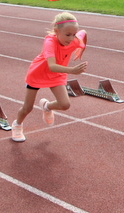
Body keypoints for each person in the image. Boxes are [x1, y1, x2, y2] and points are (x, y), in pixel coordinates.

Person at [11, 12, 88, 142]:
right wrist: (72, 70)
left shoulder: (74, 40)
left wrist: (82, 48)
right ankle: (17, 125)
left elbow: (84, 33)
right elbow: (51, 66)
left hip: (57, 75)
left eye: (73, 34)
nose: (71, 38)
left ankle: (47, 106)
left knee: (65, 104)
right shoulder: (49, 42)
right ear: (56, 31)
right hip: (38, 74)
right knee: (27, 108)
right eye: (67, 35)